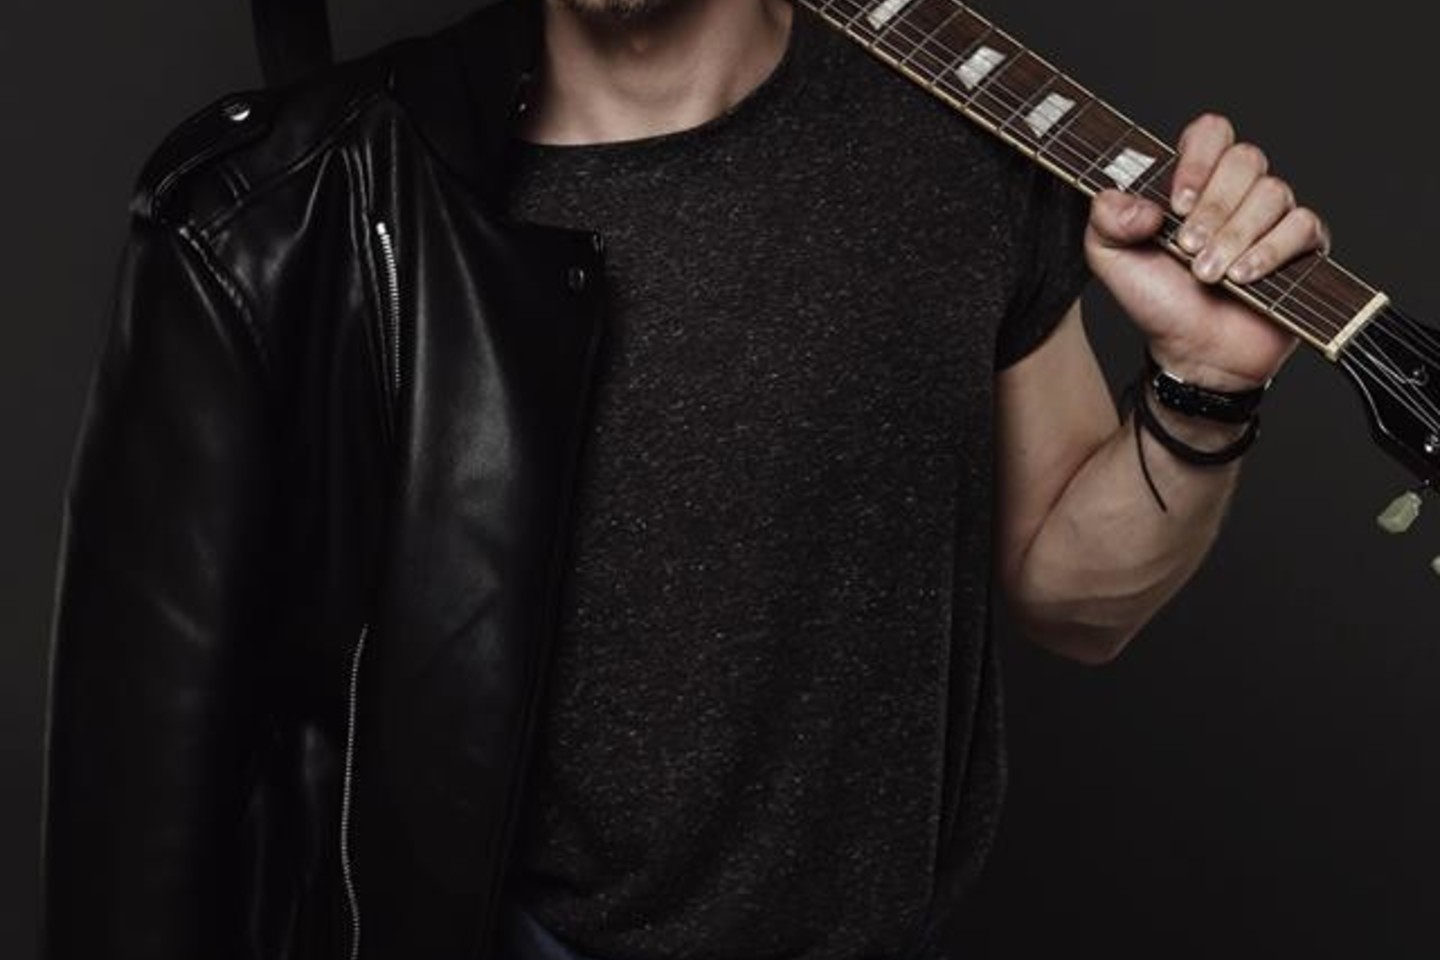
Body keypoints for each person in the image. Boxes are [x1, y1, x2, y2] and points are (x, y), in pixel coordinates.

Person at [41, 0, 1328, 958]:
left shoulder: (954, 145)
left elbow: (1075, 599)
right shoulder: (305, 206)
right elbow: (145, 800)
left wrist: (1204, 385)